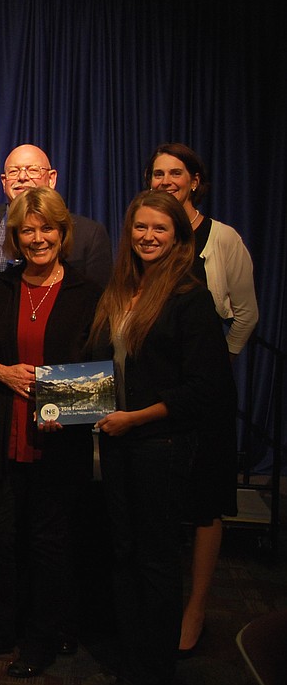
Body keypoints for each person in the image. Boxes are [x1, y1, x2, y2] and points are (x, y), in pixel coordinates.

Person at [89, 190, 235, 685]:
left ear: (179, 238)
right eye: (140, 228)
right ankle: (131, 660)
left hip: (160, 447)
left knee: (155, 561)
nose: (148, 237)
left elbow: (203, 390)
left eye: (160, 229)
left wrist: (135, 419)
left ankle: (155, 667)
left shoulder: (190, 298)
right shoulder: (119, 290)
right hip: (117, 443)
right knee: (123, 552)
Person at [0, 187, 102, 678]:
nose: (38, 238)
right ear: (16, 238)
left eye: (47, 229)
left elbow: (96, 367)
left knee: (49, 543)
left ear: (63, 234)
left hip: (59, 437)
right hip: (2, 427)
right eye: (28, 230)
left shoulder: (88, 292)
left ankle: (42, 639)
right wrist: (1, 372)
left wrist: (72, 402)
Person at [146, 142, 257, 657]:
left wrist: (218, 367)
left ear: (195, 180)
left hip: (204, 394)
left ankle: (196, 607)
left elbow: (246, 314)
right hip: (159, 391)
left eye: (175, 173)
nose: (166, 180)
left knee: (207, 501)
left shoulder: (224, 238)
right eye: (157, 173)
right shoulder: (147, 234)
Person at [0, 144, 112, 290]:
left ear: (51, 179)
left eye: (33, 170)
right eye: (13, 171)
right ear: (4, 181)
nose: (22, 177)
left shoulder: (90, 234)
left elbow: (99, 300)